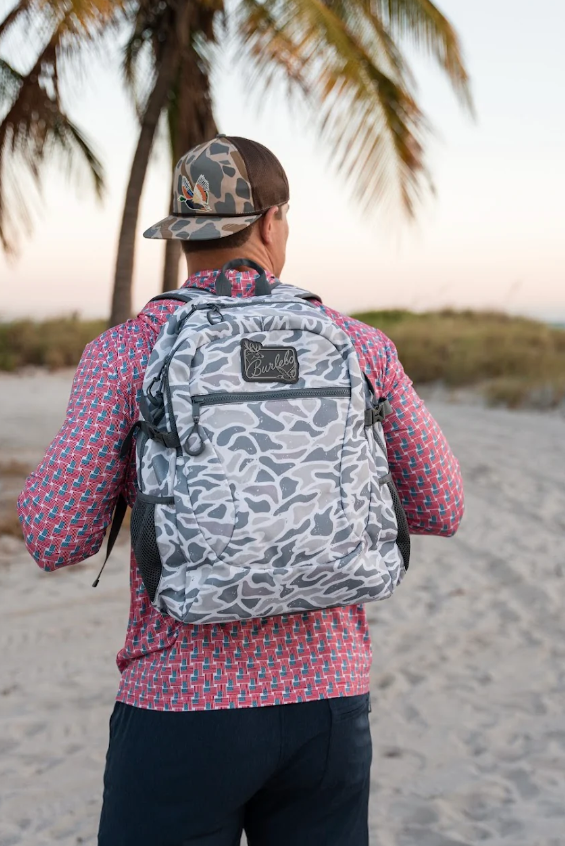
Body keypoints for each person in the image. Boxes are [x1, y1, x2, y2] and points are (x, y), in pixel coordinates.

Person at [17, 135, 464, 846]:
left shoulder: (126, 352)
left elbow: (54, 536)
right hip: (328, 705)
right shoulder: (357, 344)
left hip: (180, 706)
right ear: (272, 222)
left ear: (181, 234)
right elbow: (441, 505)